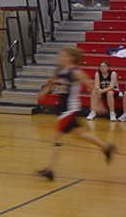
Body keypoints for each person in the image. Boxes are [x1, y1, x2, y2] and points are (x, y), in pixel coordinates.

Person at [37, 48, 116, 180]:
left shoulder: (76, 72)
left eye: (63, 56)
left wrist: (99, 104)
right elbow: (51, 83)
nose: (60, 57)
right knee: (80, 134)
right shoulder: (59, 71)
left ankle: (50, 169)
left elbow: (92, 86)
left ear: (70, 58)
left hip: (70, 110)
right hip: (62, 109)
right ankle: (106, 147)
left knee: (56, 138)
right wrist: (44, 92)